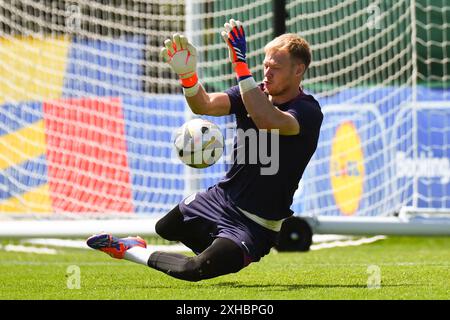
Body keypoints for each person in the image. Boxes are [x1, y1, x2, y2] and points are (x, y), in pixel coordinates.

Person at [87, 19, 323, 282]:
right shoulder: (252, 93)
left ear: (298, 70)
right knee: (166, 227)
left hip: (256, 224)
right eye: (265, 65)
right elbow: (205, 105)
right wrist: (188, 77)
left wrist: (240, 64)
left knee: (193, 270)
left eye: (275, 68)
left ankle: (130, 251)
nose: (267, 73)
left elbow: (267, 119)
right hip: (221, 199)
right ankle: (218, 253)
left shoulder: (307, 111)